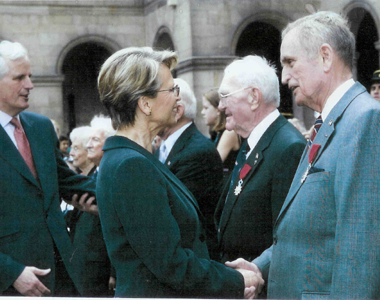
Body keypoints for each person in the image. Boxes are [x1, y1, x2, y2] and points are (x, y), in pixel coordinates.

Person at [227, 11, 380, 299]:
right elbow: (310, 233)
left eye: (290, 63)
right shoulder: (331, 122)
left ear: (325, 57)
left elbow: (364, 255)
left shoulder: (367, 122)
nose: (284, 78)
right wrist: (260, 268)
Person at [96, 46, 262, 298]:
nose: (178, 98)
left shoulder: (132, 158)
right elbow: (170, 263)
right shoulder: (131, 165)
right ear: (145, 104)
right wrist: (236, 280)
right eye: (171, 89)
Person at [0, 40, 95, 296]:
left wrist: (121, 192)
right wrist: (11, 272)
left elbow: (66, 182)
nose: (30, 85)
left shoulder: (41, 127)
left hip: (61, 270)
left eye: (29, 76)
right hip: (13, 281)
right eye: (20, 78)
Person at [215, 55, 306, 265]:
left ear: (254, 97)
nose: (220, 106)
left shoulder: (288, 148)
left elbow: (287, 237)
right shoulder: (254, 140)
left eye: (225, 96)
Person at [156, 78, 223, 260]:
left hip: (193, 260)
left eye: (155, 103)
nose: (148, 111)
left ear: (177, 111)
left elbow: (170, 212)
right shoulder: (163, 147)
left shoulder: (197, 152)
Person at [68, 115, 116, 297]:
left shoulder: (111, 173)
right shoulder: (96, 175)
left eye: (95, 140)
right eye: (88, 140)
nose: (89, 144)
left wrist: (114, 272)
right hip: (86, 264)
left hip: (101, 269)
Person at [201, 88, 241, 179]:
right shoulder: (216, 133)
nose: (202, 112)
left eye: (206, 108)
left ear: (218, 110)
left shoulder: (229, 133)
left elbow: (213, 165)